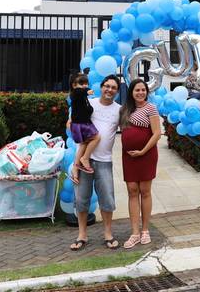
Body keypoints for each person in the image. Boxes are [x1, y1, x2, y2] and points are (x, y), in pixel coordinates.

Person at [69, 75, 121, 251]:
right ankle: (82, 235)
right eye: (107, 86)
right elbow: (73, 121)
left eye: (113, 87)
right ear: (101, 87)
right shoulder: (89, 103)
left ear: (117, 91)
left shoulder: (119, 110)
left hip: (104, 161)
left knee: (107, 200)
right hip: (84, 161)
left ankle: (108, 234)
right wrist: (76, 165)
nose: (109, 90)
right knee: (81, 200)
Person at [119, 79, 162, 249]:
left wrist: (143, 151)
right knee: (132, 191)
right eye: (137, 90)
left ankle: (145, 230)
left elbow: (157, 133)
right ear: (131, 92)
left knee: (145, 191)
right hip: (129, 157)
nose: (140, 93)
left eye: (143, 90)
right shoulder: (124, 110)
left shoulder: (151, 108)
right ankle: (135, 233)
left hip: (146, 154)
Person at [68, 73, 100, 174]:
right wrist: (87, 91)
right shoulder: (75, 94)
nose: (85, 85)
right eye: (82, 83)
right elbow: (80, 91)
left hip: (82, 123)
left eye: (86, 83)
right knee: (96, 138)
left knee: (83, 144)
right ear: (74, 85)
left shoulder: (82, 97)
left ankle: (76, 166)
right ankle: (85, 158)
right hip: (81, 124)